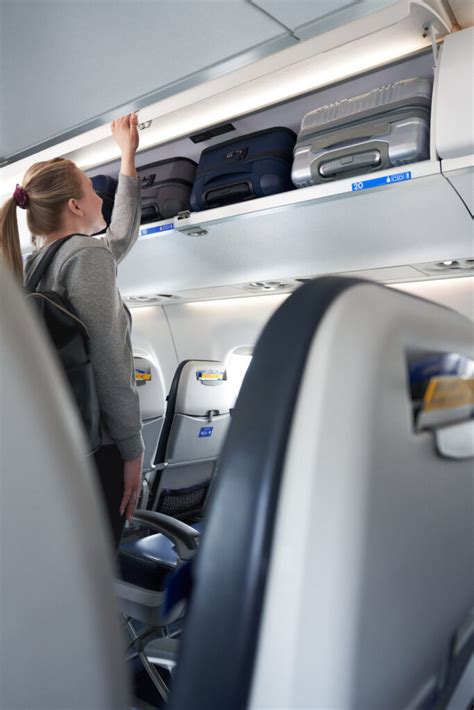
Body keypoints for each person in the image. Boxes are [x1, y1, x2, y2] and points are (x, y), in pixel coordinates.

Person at [0, 113, 144, 549]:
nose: (99, 196)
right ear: (76, 206)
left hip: (58, 441)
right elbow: (111, 361)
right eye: (90, 188)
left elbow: (118, 237)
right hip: (97, 449)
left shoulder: (36, 260)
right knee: (99, 566)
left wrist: (128, 157)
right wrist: (133, 449)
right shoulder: (85, 258)